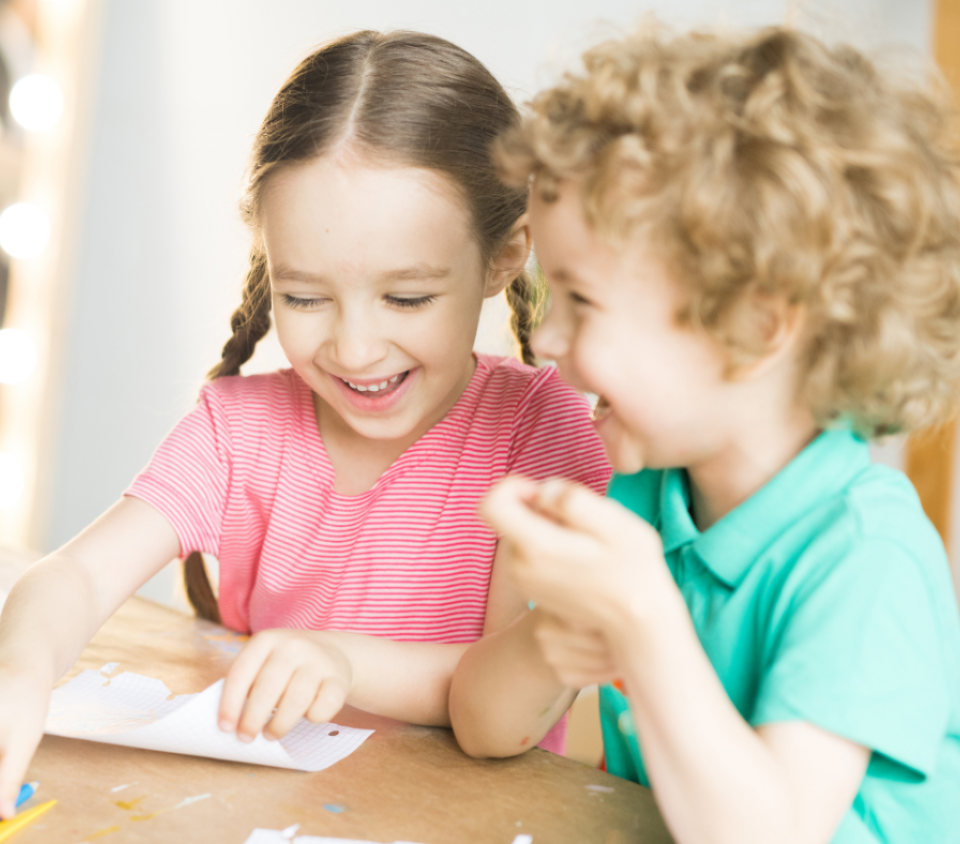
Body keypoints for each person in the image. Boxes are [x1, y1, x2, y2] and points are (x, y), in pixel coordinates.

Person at [0, 30, 612, 818]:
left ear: (503, 258)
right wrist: (18, 671)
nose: (355, 349)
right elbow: (74, 577)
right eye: (306, 298)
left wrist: (341, 662)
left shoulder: (546, 435)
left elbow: (504, 697)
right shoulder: (237, 429)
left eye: (407, 298)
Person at [449, 25, 960, 844]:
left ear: (756, 327)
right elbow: (482, 724)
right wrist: (559, 634)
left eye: (582, 300)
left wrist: (644, 614)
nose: (544, 340)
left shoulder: (866, 558)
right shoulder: (651, 494)